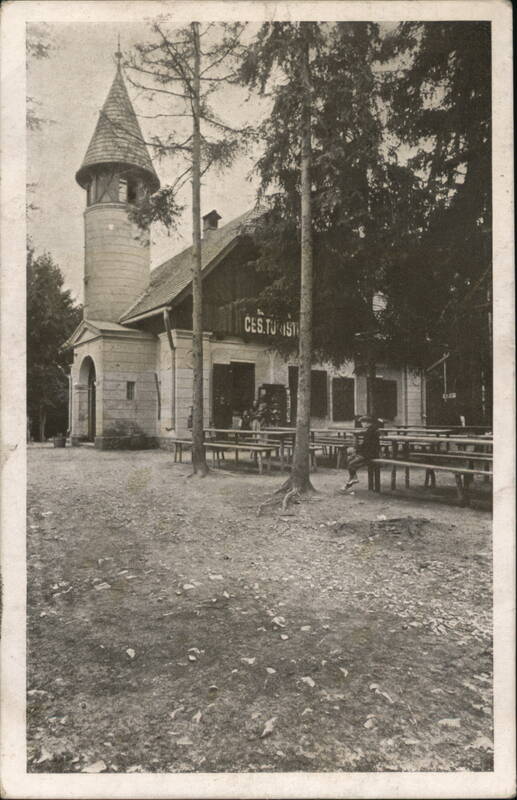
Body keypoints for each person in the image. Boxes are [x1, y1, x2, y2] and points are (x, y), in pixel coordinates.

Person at [341, 416, 382, 491]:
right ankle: (353, 479)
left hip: (371, 454)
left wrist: (358, 452)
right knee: (349, 460)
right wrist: (356, 451)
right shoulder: (369, 430)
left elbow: (368, 445)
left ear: (367, 423)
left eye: (362, 423)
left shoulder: (371, 431)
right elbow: (365, 444)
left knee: (351, 463)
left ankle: (351, 481)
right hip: (367, 453)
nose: (362, 424)